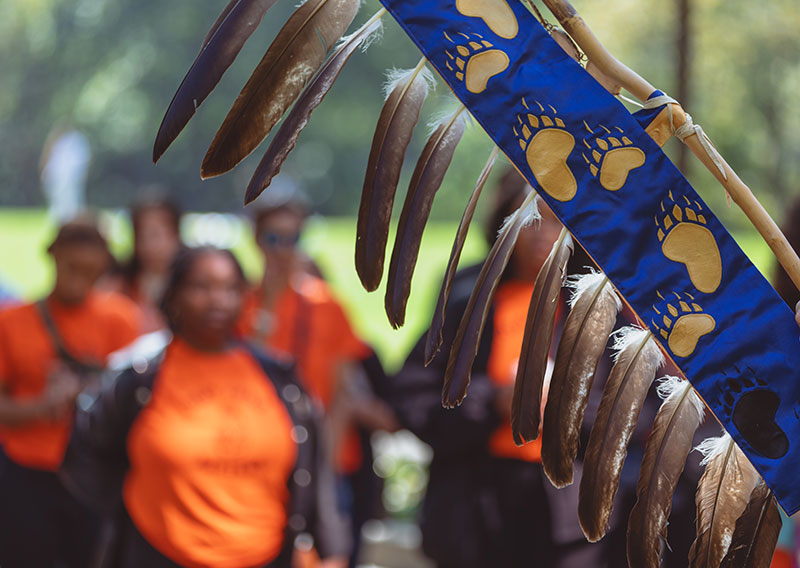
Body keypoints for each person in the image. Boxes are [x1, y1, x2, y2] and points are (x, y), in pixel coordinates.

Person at [388, 168, 634, 568]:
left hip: (567, 517)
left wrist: (563, 411)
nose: (543, 235)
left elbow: (638, 414)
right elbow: (412, 393)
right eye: (531, 221)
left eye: (558, 222)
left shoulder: (604, 308)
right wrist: (494, 401)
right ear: (505, 222)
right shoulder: (467, 296)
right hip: (474, 504)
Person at [61, 246, 349, 568]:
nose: (217, 300)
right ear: (173, 295)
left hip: (265, 555)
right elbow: (88, 453)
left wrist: (330, 549)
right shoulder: (140, 381)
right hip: (160, 554)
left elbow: (316, 468)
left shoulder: (281, 380)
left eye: (229, 289)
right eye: (201, 287)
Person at [237, 183, 398, 567]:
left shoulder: (326, 304)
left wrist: (322, 461)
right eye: (274, 238)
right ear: (257, 241)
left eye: (293, 238)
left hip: (326, 462)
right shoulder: (240, 305)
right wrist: (271, 301)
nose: (283, 249)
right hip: (259, 459)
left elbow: (343, 388)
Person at [0, 218, 141, 568]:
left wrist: (87, 392)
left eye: (92, 272)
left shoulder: (121, 320)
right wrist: (41, 405)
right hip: (27, 469)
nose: (80, 280)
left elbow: (135, 405)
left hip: (93, 473)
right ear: (53, 256)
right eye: (73, 268)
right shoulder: (12, 321)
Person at [120, 192, 184, 333]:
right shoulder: (119, 285)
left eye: (154, 235)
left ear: (175, 235)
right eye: (140, 235)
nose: (147, 244)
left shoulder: (191, 283)